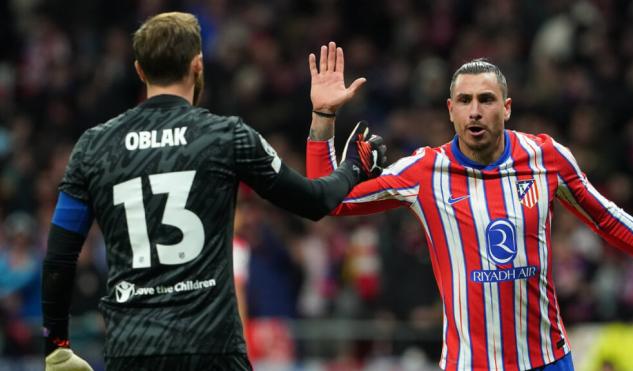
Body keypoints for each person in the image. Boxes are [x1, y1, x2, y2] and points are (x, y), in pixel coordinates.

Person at [41, 12, 384, 371]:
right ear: (198, 65)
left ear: (140, 70)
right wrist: (355, 162)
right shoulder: (226, 137)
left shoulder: (95, 146)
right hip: (211, 349)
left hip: (132, 349)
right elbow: (316, 201)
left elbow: (59, 257)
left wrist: (57, 346)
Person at [306, 46, 633, 371]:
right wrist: (324, 116)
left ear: (506, 107)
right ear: (450, 109)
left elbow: (608, 218)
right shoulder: (423, 173)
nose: (475, 111)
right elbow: (327, 202)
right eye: (464, 100)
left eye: (486, 99)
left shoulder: (546, 158)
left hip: (547, 361)